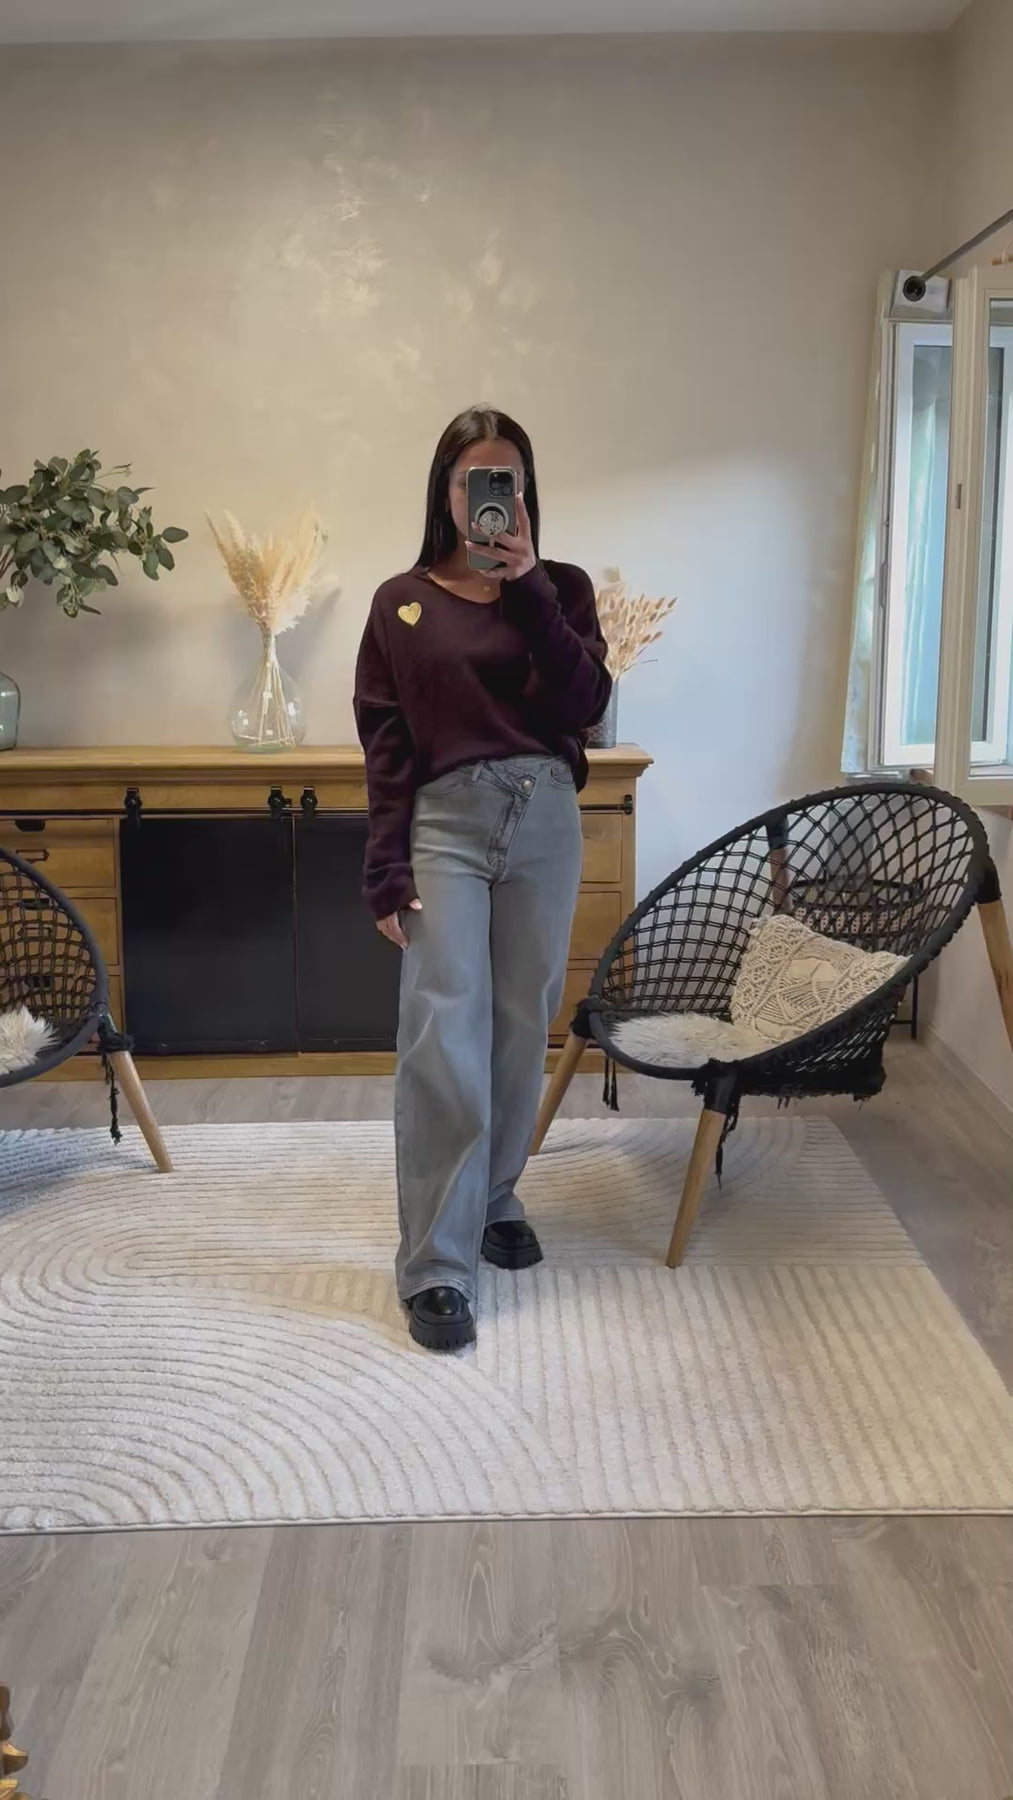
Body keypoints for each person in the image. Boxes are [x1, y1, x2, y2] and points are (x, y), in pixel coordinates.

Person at [354, 405, 612, 1352]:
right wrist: (385, 866)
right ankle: (436, 1263)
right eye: (472, 480)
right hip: (446, 823)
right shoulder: (400, 601)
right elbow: (386, 742)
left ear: (526, 490)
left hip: (544, 818)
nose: (488, 496)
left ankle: (496, 1194)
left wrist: (528, 584)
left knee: (517, 1024)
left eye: (506, 478)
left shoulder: (561, 588)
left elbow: (586, 704)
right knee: (440, 1030)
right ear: (446, 490)